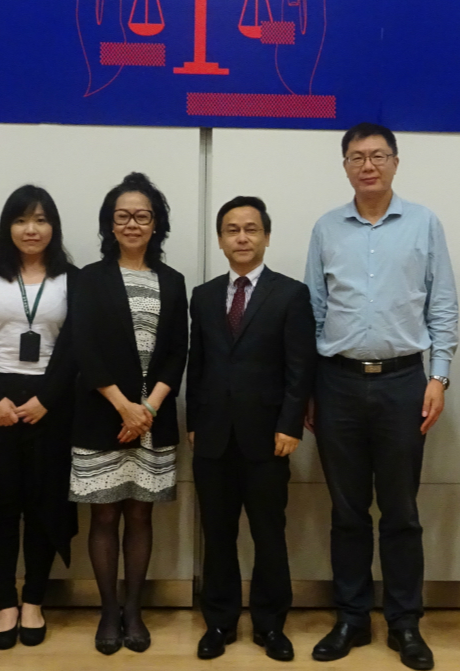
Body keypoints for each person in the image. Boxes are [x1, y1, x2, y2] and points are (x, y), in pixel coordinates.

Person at [304, 122, 458, 670]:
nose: (367, 165)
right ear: (344, 165)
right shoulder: (327, 228)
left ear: (395, 161)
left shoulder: (423, 224)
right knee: (346, 511)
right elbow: (315, 312)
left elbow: (442, 307)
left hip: (402, 382)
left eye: (378, 156)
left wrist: (437, 377)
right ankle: (350, 617)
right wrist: (310, 388)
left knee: (401, 511)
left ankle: (404, 623)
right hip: (338, 382)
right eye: (356, 157)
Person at [188, 196, 317, 661]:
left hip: (269, 438)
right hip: (214, 437)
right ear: (220, 239)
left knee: (268, 532)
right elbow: (196, 364)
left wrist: (290, 425)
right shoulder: (202, 296)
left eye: (250, 229)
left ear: (265, 235)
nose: (241, 238)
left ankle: (270, 624)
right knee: (217, 534)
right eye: (231, 230)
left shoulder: (290, 294)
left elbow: (299, 368)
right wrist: (194, 424)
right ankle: (219, 622)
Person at [0, 185, 79, 650]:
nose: (32, 229)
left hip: (50, 402)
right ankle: (5, 601)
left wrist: (47, 397)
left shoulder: (72, 277)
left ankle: (34, 601)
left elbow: (75, 345)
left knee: (44, 506)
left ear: (54, 227)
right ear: (8, 226)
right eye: (22, 220)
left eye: (42, 219)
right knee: (2, 505)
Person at [69, 172, 188, 655]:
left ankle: (134, 610)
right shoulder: (88, 279)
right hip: (102, 415)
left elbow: (176, 352)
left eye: (142, 215)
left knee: (141, 519)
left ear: (156, 223)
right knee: (103, 521)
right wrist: (124, 406)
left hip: (152, 421)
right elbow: (84, 348)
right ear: (110, 224)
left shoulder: (173, 281)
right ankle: (107, 610)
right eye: (123, 216)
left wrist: (150, 409)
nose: (133, 223)